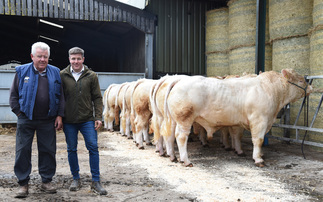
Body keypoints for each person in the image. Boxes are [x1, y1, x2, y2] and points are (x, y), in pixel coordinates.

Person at [9, 42, 65, 198]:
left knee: (48, 150)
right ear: (32, 56)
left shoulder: (55, 72)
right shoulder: (22, 71)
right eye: (39, 56)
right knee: (22, 151)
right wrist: (19, 113)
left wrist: (59, 115)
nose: (42, 59)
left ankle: (46, 181)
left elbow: (61, 96)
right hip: (26, 119)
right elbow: (13, 95)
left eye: (45, 56)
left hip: (48, 119)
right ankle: (23, 184)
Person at [60, 47, 107, 195]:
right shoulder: (62, 75)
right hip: (69, 121)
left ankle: (96, 181)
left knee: (93, 147)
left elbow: (97, 98)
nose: (76, 61)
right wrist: (59, 116)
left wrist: (98, 116)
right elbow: (59, 98)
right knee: (71, 149)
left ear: (83, 59)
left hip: (87, 119)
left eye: (78, 58)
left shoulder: (91, 76)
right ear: (69, 59)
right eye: (73, 59)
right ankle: (76, 178)